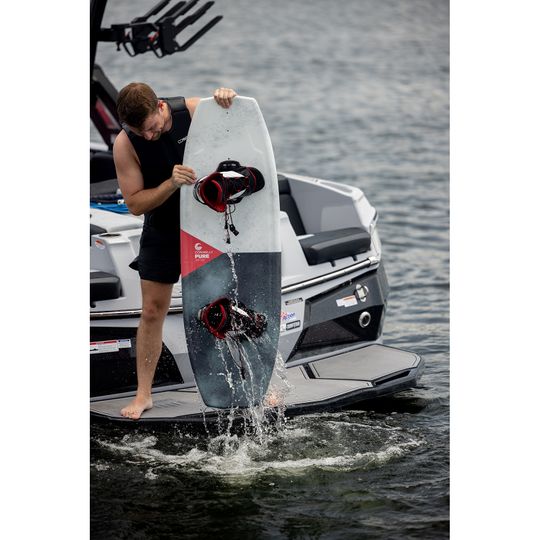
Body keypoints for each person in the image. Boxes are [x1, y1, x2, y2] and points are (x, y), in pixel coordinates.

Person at [113, 83, 237, 419]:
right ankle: (143, 395)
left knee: (226, 305)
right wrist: (170, 184)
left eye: (151, 127)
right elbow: (135, 204)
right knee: (152, 311)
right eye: (140, 131)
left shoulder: (195, 111)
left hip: (208, 225)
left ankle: (253, 384)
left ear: (160, 106)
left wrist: (227, 98)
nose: (148, 136)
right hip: (163, 229)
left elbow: (241, 129)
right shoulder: (125, 144)